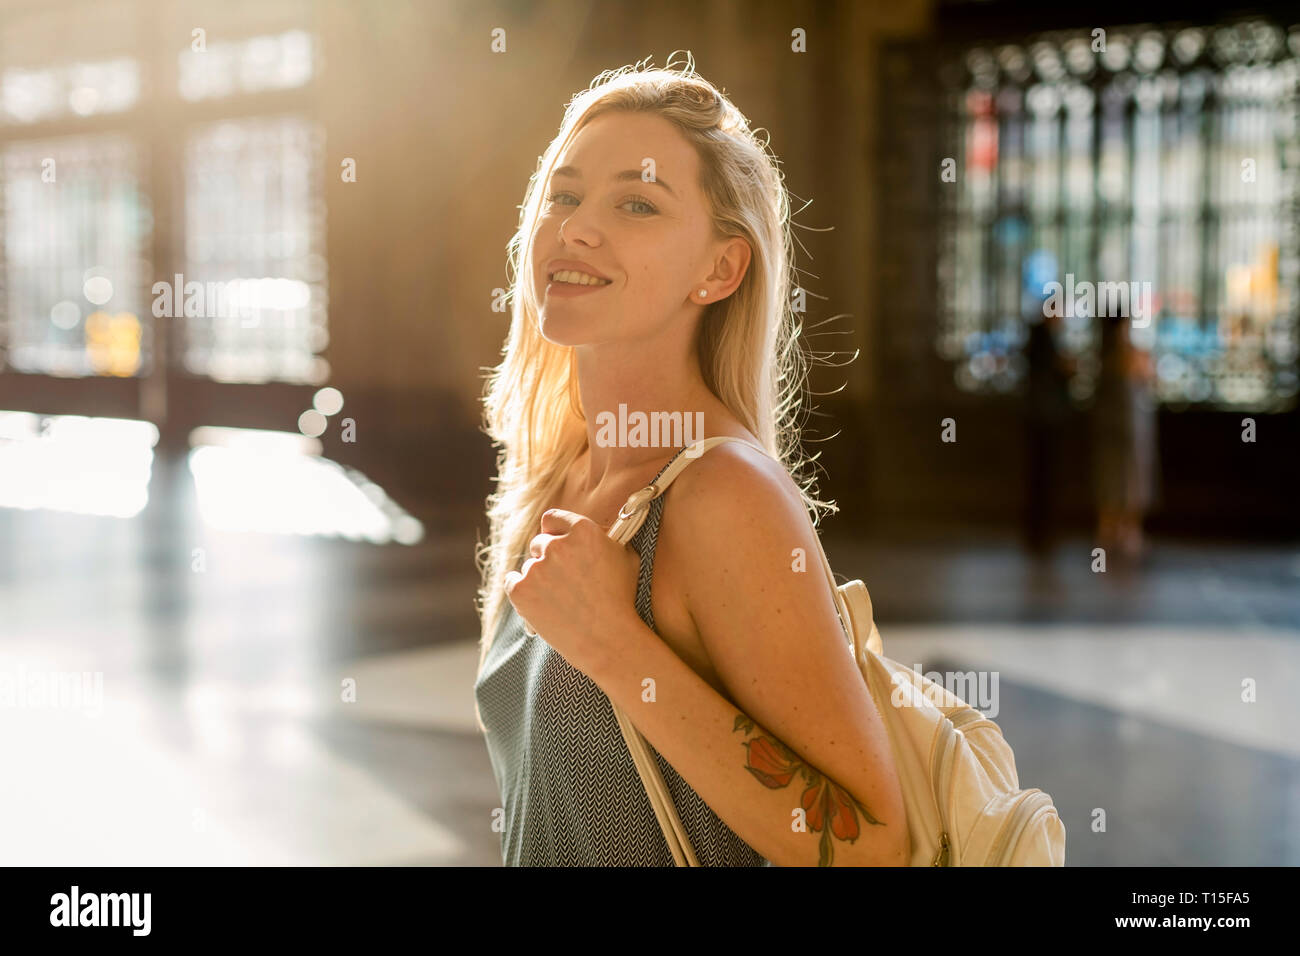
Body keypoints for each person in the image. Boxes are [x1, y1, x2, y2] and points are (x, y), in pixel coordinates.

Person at [471, 55, 907, 867]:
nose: (575, 227)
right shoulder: (560, 474)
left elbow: (873, 843)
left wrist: (615, 644)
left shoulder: (722, 494)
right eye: (564, 196)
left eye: (637, 202)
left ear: (720, 269)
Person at [1090, 308, 1159, 561]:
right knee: (1125, 475)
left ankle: (1115, 529)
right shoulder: (1123, 355)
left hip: (1125, 426)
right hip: (1125, 426)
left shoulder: (1108, 355)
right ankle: (1119, 529)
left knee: (1120, 475)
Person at [1021, 311, 1072, 556]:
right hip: (1046, 419)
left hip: (1039, 418)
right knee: (1044, 477)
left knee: (1039, 478)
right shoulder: (1046, 344)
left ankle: (1039, 533)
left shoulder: (1037, 341)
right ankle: (1041, 533)